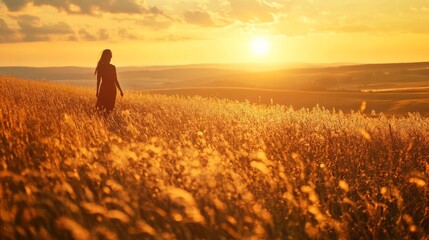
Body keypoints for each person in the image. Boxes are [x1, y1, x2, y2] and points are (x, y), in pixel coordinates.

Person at [95, 49, 124, 115]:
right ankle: (102, 122)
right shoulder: (108, 67)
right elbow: (99, 80)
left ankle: (104, 122)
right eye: (110, 56)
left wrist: (120, 90)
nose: (110, 58)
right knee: (103, 108)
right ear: (106, 57)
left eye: (111, 56)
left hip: (107, 89)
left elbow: (115, 80)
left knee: (106, 108)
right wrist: (97, 92)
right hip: (108, 89)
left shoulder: (106, 67)